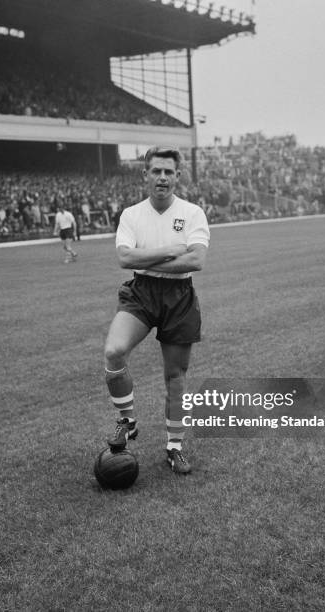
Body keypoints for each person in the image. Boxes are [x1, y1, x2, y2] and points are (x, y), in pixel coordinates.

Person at [103, 146, 210, 474]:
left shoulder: (193, 213)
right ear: (145, 175)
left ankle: (174, 447)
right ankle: (127, 420)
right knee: (114, 351)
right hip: (142, 292)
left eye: (168, 172)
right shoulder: (131, 215)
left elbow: (196, 260)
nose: (162, 177)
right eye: (156, 171)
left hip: (179, 296)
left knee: (175, 377)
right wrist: (168, 250)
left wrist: (146, 254)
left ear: (178, 176)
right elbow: (125, 259)